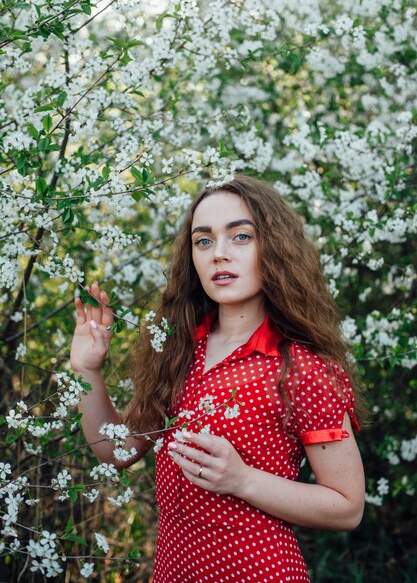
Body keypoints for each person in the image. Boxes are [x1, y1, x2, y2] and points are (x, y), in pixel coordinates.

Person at [71, 175, 365, 583]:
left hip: (258, 571)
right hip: (174, 572)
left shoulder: (301, 369)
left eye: (241, 237)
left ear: (274, 247)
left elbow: (348, 507)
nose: (219, 254)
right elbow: (119, 452)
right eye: (203, 241)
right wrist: (88, 370)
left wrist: (242, 480)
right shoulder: (177, 349)